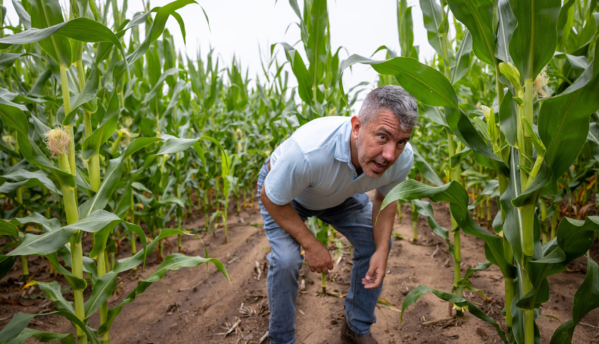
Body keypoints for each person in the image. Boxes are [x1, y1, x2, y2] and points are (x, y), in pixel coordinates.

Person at [257, 85, 418, 344]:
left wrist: (380, 251)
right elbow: (270, 197)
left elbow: (385, 199)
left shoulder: (401, 159)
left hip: (339, 195)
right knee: (287, 260)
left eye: (401, 142)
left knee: (376, 242)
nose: (390, 154)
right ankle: (281, 339)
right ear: (357, 127)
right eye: (382, 137)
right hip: (287, 196)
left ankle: (356, 328)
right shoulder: (309, 152)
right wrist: (310, 244)